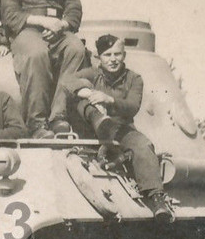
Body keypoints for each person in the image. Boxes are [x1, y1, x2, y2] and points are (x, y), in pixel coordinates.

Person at [55, 34, 174, 222]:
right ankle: (101, 122)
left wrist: (109, 100)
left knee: (143, 145)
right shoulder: (92, 74)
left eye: (117, 54)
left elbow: (132, 106)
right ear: (99, 57)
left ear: (124, 55)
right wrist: (88, 93)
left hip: (121, 130)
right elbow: (67, 81)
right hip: (90, 129)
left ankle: (157, 198)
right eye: (107, 55)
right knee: (84, 103)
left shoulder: (134, 79)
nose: (113, 59)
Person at [2, 0, 89, 135]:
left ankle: (59, 116)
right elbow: (9, 13)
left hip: (58, 30)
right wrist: (42, 22)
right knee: (37, 54)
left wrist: (62, 25)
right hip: (28, 29)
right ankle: (37, 123)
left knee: (76, 48)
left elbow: (74, 9)